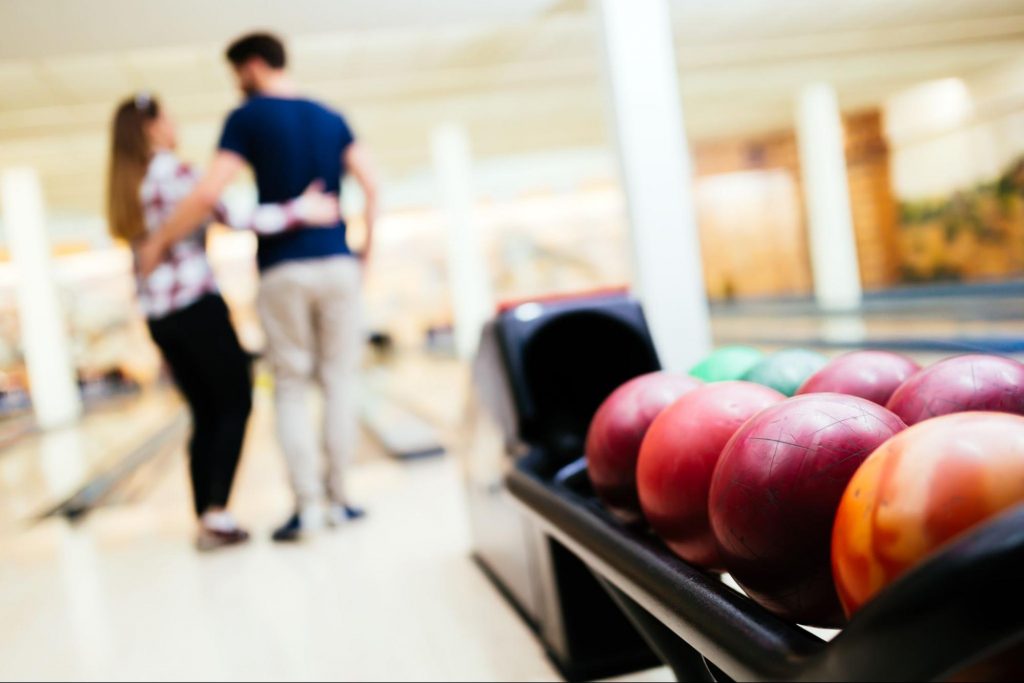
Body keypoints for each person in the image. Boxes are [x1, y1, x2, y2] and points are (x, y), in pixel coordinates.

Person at [138, 33, 380, 542]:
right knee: (339, 380)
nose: (236, 84)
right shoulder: (331, 116)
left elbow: (209, 191)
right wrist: (365, 253)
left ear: (252, 66)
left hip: (282, 268)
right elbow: (372, 184)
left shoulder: (246, 117)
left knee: (291, 384)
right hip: (338, 262)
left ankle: (307, 507)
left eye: (236, 74)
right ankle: (342, 500)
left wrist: (159, 241)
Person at [107, 93, 339, 551]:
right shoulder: (174, 172)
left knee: (205, 413)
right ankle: (216, 513)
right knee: (235, 401)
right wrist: (301, 210)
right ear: (151, 127)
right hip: (195, 306)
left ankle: (207, 517)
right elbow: (235, 213)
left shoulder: (125, 185)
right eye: (168, 118)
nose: (174, 125)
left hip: (159, 317)